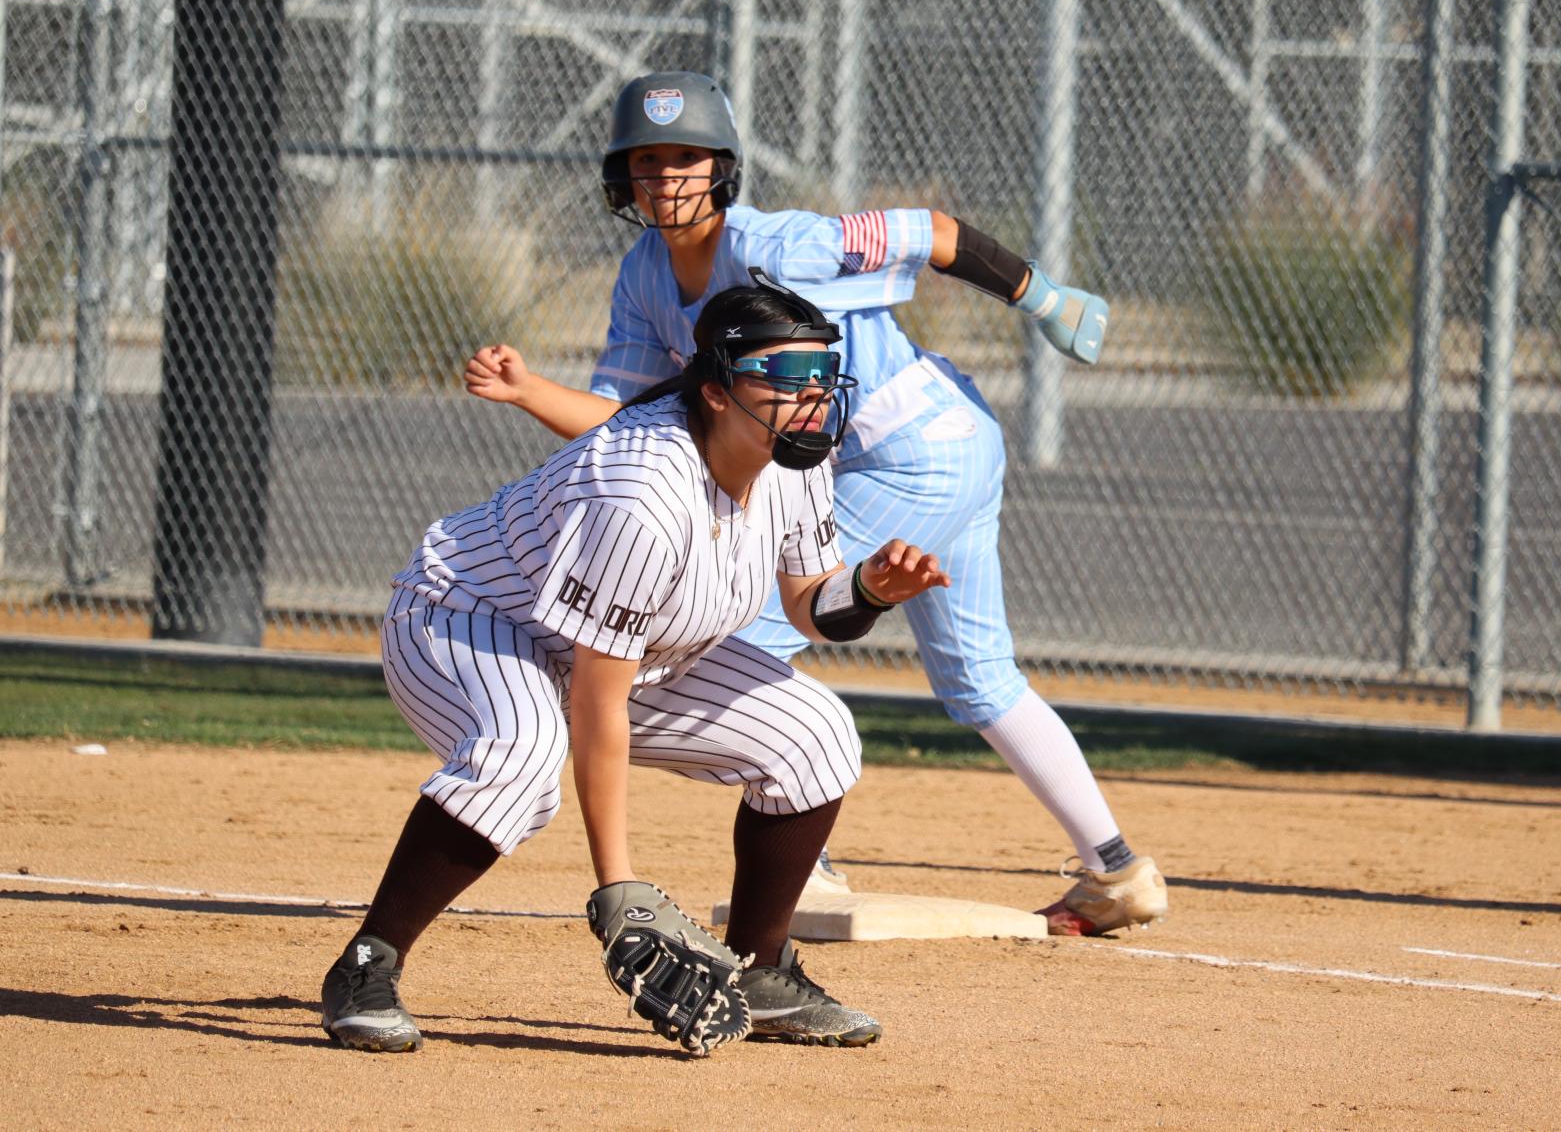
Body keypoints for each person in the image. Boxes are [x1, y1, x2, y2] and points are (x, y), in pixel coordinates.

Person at [463, 72, 1167, 937]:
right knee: (979, 678)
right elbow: (629, 418)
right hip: (921, 451)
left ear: (721, 168)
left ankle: (811, 862)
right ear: (621, 178)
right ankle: (1117, 871)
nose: (665, 178)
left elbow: (933, 233)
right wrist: (529, 389)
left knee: (743, 628)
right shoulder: (644, 272)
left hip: (914, 447)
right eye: (646, 161)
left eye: (686, 158)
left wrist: (1045, 299)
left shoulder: (777, 245)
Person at [321, 277, 947, 1055]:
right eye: (786, 378)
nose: (812, 396)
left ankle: (759, 969)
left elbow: (808, 604)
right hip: (468, 618)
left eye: (823, 375)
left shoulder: (793, 455)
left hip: (632, 650)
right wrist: (616, 887)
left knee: (814, 734)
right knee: (520, 753)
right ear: (716, 392)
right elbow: (596, 702)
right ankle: (367, 961)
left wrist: (870, 589)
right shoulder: (642, 495)